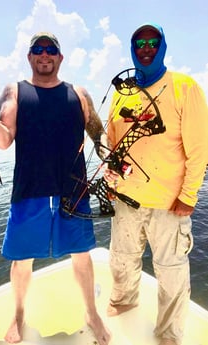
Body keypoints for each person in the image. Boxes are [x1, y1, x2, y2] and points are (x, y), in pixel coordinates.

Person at [0, 32, 111, 345]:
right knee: (21, 260)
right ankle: (18, 314)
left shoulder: (79, 93)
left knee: (82, 255)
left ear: (60, 57)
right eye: (38, 49)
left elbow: (98, 135)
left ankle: (91, 312)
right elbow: (3, 139)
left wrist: (109, 159)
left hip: (74, 191)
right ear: (29, 57)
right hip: (29, 192)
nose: (45, 54)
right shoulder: (14, 91)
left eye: (51, 49)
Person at [104, 23, 208, 345]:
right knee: (121, 258)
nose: (145, 47)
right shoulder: (122, 95)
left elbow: (200, 148)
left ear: (162, 46)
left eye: (152, 41)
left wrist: (189, 195)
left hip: (168, 204)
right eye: (139, 43)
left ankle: (168, 336)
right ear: (132, 50)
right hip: (125, 200)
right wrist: (110, 175)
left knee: (171, 273)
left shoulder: (184, 87)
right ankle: (123, 303)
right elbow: (111, 141)